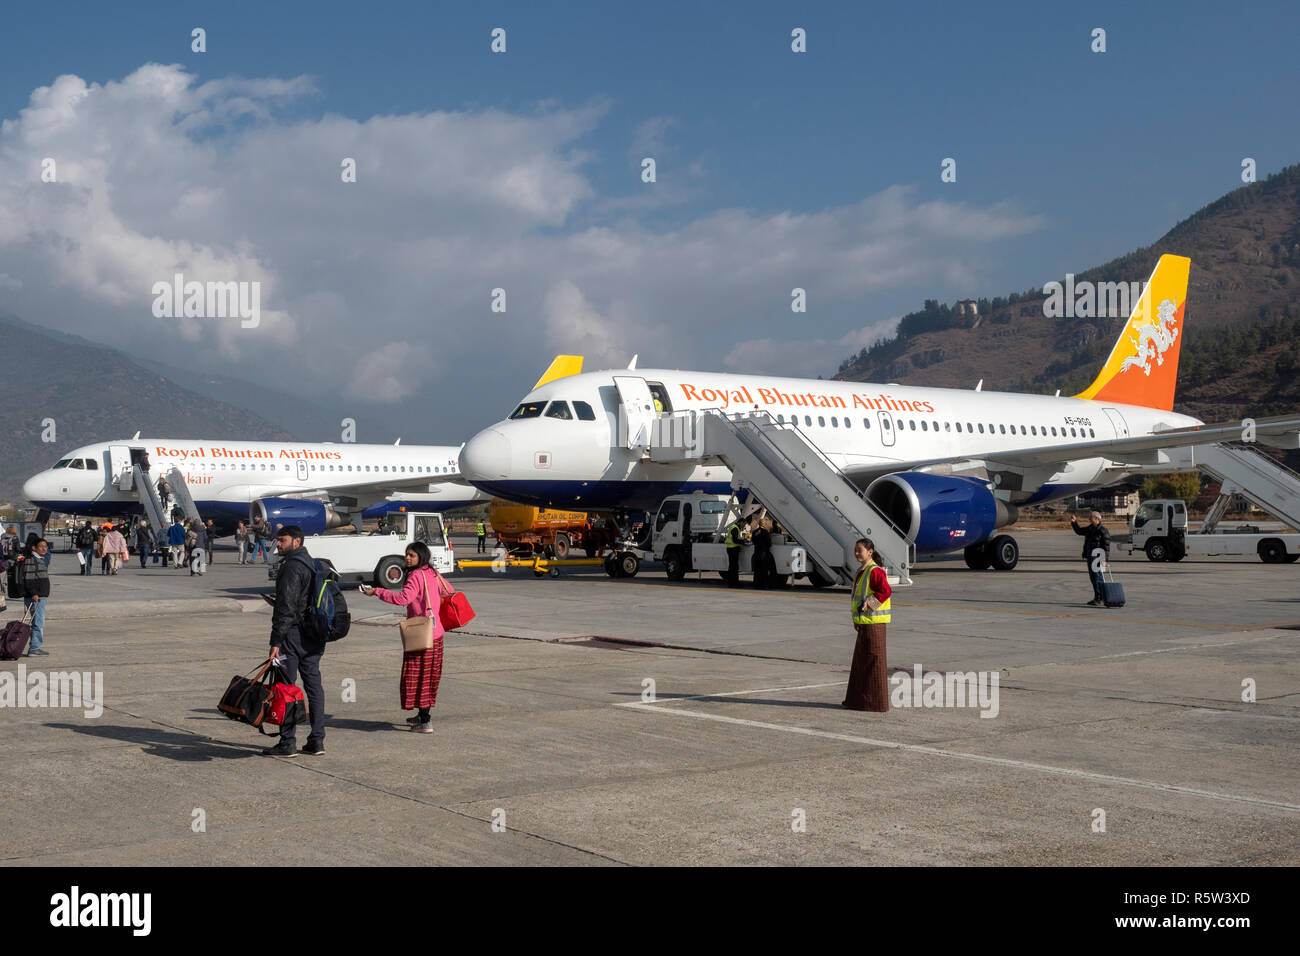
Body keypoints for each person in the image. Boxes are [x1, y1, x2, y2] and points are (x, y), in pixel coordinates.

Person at [360, 542, 445, 733]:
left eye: (412, 555)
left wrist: (377, 592)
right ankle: (422, 715)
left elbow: (403, 599)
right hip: (437, 633)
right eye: (407, 554)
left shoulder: (415, 575)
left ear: (420, 557)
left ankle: (425, 721)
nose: (407, 558)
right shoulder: (433, 572)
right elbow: (448, 590)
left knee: (418, 676)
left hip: (421, 634)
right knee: (429, 676)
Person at [263, 525, 326, 757]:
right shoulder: (313, 563)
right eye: (278, 540)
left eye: (283, 540)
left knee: (285, 688)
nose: (278, 544)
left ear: (297, 541)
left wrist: (275, 641)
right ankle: (317, 740)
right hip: (314, 634)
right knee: (314, 687)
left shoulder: (291, 566)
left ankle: (287, 742)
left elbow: (287, 609)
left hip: (293, 635)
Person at [843, 538, 891, 712]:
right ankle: (859, 701)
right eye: (855, 550)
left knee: (874, 663)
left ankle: (876, 703)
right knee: (861, 663)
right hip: (865, 622)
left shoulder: (875, 571)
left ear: (870, 552)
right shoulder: (862, 571)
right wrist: (856, 620)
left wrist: (869, 603)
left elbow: (885, 591)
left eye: (860, 550)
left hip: (875, 623)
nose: (856, 553)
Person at [1070, 511, 1112, 606]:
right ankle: (1097, 597)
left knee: (1098, 578)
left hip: (1098, 558)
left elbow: (1107, 547)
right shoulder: (1090, 528)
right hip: (1090, 557)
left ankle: (1102, 598)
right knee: (1093, 578)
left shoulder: (1103, 531)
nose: (1089, 518)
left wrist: (1105, 560)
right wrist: (1074, 522)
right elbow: (1079, 531)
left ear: (1097, 519)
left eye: (1091, 517)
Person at [21, 537, 51, 657]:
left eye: (46, 546)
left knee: (38, 622)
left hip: (39, 596)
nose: (44, 549)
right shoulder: (31, 560)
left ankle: (35, 646)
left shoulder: (39, 559)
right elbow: (28, 578)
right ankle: (34, 648)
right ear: (34, 548)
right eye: (41, 546)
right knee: (38, 622)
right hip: (36, 597)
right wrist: (34, 593)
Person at [723, 513, 746, 588]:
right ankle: (734, 583)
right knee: (734, 567)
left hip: (731, 549)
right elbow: (735, 540)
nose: (744, 526)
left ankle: (732, 583)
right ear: (741, 522)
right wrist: (744, 542)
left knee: (732, 567)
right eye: (743, 524)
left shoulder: (734, 527)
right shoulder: (735, 528)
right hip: (733, 549)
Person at [751, 515, 773, 589]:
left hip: (756, 552)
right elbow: (769, 543)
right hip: (763, 553)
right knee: (764, 569)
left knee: (757, 570)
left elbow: (753, 541)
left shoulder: (755, 532)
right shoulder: (765, 532)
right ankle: (764, 585)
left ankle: (756, 584)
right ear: (764, 524)